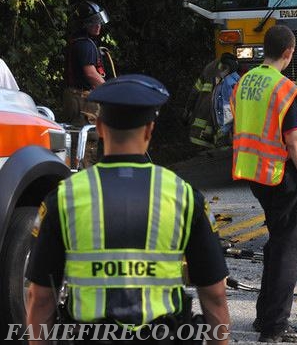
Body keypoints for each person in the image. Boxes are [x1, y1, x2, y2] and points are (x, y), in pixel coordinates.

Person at [25, 74, 230, 343]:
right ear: (149, 130)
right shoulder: (183, 195)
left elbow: (39, 299)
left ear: (99, 127)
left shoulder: (63, 198)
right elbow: (214, 295)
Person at [231, 24, 297, 343]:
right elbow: (293, 140)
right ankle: (275, 326)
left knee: (276, 243)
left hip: (255, 173)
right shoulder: (284, 88)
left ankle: (265, 316)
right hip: (281, 174)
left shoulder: (244, 82)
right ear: (288, 53)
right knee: (288, 250)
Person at [63, 0, 110, 127]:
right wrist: (110, 91)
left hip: (74, 97)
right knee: (87, 139)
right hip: (82, 98)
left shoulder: (77, 41)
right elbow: (91, 74)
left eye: (99, 21)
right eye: (93, 22)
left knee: (75, 136)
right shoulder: (86, 45)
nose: (98, 25)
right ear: (84, 24)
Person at [184, 53, 240, 148]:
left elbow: (194, 92)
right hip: (208, 135)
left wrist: (187, 111)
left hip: (202, 134)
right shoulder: (226, 80)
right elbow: (227, 110)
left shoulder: (210, 69)